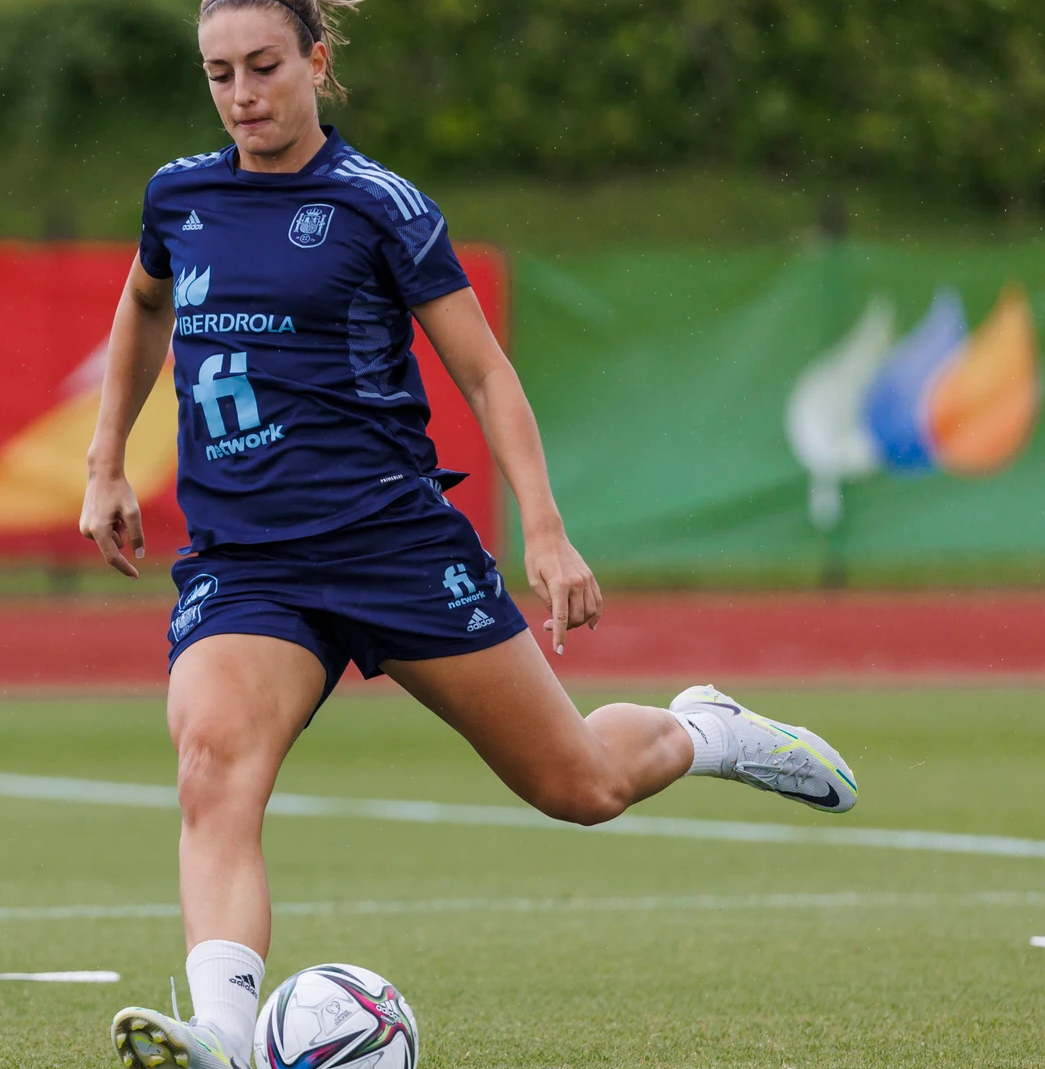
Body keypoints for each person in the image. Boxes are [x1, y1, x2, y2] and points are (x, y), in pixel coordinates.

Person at [78, 1, 860, 1066]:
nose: (241, 95)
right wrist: (105, 460)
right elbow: (142, 305)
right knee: (210, 763)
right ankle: (219, 1032)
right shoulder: (179, 195)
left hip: (390, 545)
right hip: (246, 563)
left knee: (577, 785)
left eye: (263, 66)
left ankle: (706, 729)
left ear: (316, 59)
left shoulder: (378, 206)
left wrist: (544, 530)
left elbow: (485, 372)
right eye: (219, 74)